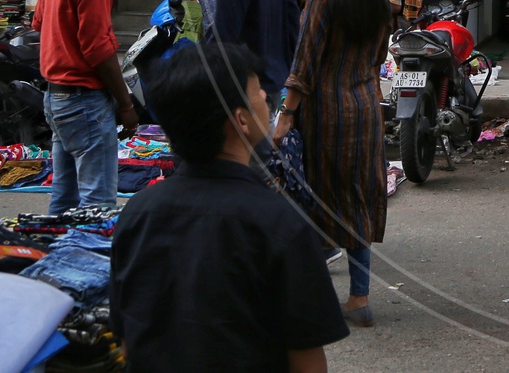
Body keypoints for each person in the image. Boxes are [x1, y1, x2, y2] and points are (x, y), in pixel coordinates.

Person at [112, 42, 349, 371]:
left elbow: (128, 340)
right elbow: (307, 361)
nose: (267, 97)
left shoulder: (137, 213)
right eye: (257, 90)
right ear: (241, 120)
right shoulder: (281, 223)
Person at [273, 0, 390, 327]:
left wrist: (285, 115)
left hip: (327, 112)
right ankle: (359, 298)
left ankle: (309, 300)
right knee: (358, 199)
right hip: (366, 110)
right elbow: (378, 58)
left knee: (316, 201)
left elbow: (304, 63)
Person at [32, 0, 138, 213]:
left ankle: (54, 256)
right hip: (83, 99)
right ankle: (85, 260)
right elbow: (97, 49)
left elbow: (38, 21)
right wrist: (125, 102)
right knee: (97, 204)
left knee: (64, 199)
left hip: (57, 98)